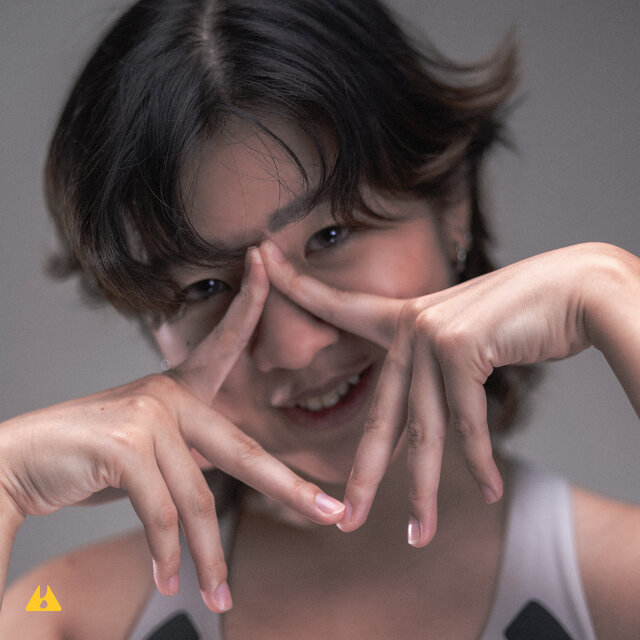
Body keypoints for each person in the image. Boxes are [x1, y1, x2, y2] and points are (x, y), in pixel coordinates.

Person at [0, 0, 639, 638]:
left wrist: (615, 291)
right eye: (206, 286)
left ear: (450, 202)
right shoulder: (61, 614)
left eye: (331, 236)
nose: (295, 347)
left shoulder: (620, 583)